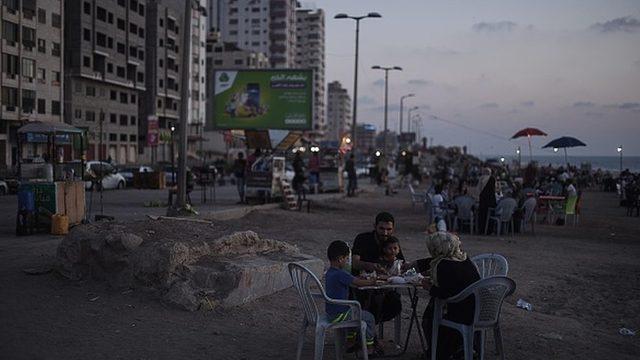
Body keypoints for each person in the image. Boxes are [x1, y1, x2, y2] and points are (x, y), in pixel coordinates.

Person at [420, 232, 481, 360]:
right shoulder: (465, 259)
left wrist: (429, 287)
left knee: (429, 315)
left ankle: (436, 352)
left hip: (461, 313)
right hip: (479, 309)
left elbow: (444, 293)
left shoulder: (443, 264)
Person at [325, 241, 378, 355]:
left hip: (331, 313)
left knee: (353, 311)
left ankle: (350, 341)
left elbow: (351, 281)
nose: (347, 262)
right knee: (369, 317)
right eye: (346, 259)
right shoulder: (341, 274)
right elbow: (358, 283)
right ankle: (369, 347)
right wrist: (372, 281)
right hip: (340, 315)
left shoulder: (330, 272)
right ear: (340, 259)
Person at [352, 212, 404, 323]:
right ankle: (367, 332)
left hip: (384, 287)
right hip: (362, 286)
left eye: (389, 229)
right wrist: (371, 266)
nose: (385, 233)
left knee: (395, 303)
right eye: (381, 228)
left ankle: (371, 327)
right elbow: (355, 263)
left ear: (393, 229)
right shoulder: (363, 239)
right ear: (374, 226)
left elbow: (402, 265)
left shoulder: (393, 243)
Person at [477, 168, 497, 234]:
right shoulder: (492, 179)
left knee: (482, 216)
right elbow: (494, 190)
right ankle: (489, 230)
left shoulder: (481, 178)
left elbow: (478, 189)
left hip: (483, 200)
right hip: (491, 201)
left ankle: (481, 230)